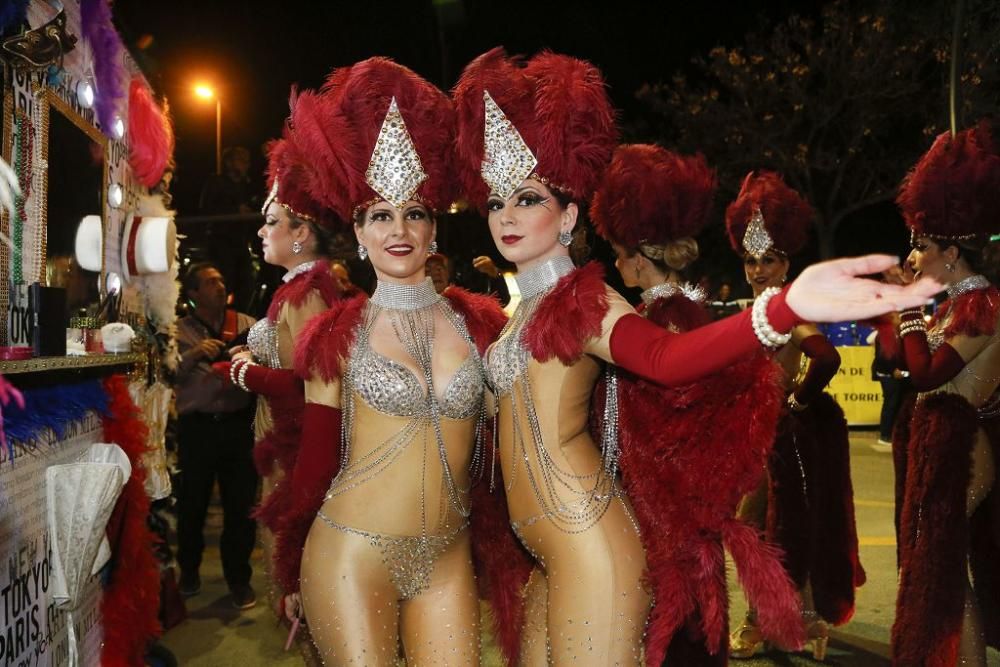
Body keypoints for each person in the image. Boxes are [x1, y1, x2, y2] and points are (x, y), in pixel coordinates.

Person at [452, 47, 935, 665]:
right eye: (496, 202)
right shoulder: (517, 313)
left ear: (570, 214)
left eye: (526, 200)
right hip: (537, 549)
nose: (506, 216)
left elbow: (668, 359)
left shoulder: (589, 301)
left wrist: (781, 308)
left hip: (586, 542)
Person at [274, 58, 509, 665]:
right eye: (381, 214)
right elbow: (315, 459)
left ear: (434, 229)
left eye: (414, 213)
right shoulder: (333, 334)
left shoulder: (481, 325)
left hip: (448, 557)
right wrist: (289, 563)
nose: (398, 229)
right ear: (358, 231)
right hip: (351, 553)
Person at [590, 144, 801, 665]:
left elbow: (675, 417)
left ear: (639, 259)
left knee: (676, 623)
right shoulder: (678, 311)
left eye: (619, 254)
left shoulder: (663, 320)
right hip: (674, 504)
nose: (617, 264)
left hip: (667, 505)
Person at [211, 107, 350, 623]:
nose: (262, 232)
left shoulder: (308, 292)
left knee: (305, 588)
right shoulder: (294, 288)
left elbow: (310, 383)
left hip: (297, 451)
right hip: (279, 444)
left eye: (272, 222)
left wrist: (244, 372)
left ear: (301, 233)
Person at [725, 172, 865, 661]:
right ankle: (772, 619)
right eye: (750, 260)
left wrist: (797, 401)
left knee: (776, 530)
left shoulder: (785, 306)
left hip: (783, 439)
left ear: (786, 262)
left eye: (767, 260)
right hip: (752, 437)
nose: (757, 269)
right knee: (761, 531)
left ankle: (791, 622)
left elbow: (826, 357)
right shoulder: (756, 308)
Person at [883, 121, 1000, 666]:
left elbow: (927, 374)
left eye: (922, 246)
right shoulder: (953, 305)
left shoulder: (982, 307)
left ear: (952, 252)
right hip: (935, 441)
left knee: (945, 571)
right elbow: (901, 363)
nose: (914, 257)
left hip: (961, 445)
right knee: (932, 568)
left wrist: (908, 307)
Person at [175, 262, 258, 609]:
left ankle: (238, 579)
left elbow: (268, 364)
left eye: (221, 280)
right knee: (191, 504)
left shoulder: (246, 325)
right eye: (210, 283)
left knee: (241, 507)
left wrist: (249, 356)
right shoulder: (177, 330)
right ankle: (189, 572)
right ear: (193, 294)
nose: (220, 287)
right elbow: (165, 373)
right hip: (197, 428)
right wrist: (193, 354)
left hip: (239, 425)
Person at [198, 146, 255, 215]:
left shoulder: (247, 185)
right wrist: (235, 210)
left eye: (247, 161)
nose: (246, 164)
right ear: (228, 162)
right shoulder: (216, 182)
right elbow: (206, 209)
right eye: (241, 160)